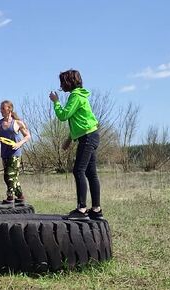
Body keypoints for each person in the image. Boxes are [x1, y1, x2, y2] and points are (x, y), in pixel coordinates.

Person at [49, 69, 103, 221]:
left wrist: (56, 102)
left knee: (78, 170)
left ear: (68, 82)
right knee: (90, 173)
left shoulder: (75, 96)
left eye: (62, 82)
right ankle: (96, 210)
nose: (61, 85)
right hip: (91, 135)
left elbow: (64, 115)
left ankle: (81, 209)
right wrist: (69, 138)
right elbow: (79, 121)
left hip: (87, 137)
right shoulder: (81, 95)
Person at [0, 100, 30, 208]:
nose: (1, 111)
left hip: (15, 153)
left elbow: (28, 136)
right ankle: (20, 197)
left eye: (3, 108)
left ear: (9, 109)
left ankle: (10, 199)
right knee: (11, 177)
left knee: (9, 176)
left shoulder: (18, 123)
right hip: (4, 154)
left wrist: (19, 144)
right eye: (0, 108)